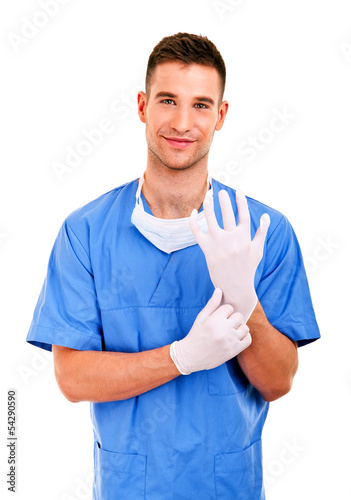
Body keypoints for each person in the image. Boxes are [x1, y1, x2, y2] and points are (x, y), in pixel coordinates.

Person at [26, 32, 320, 499]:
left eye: (201, 105)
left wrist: (246, 304)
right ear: (143, 106)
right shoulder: (85, 232)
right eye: (168, 100)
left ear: (221, 116)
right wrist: (181, 357)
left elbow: (279, 381)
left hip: (228, 488)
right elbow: (72, 378)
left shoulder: (264, 232)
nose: (183, 122)